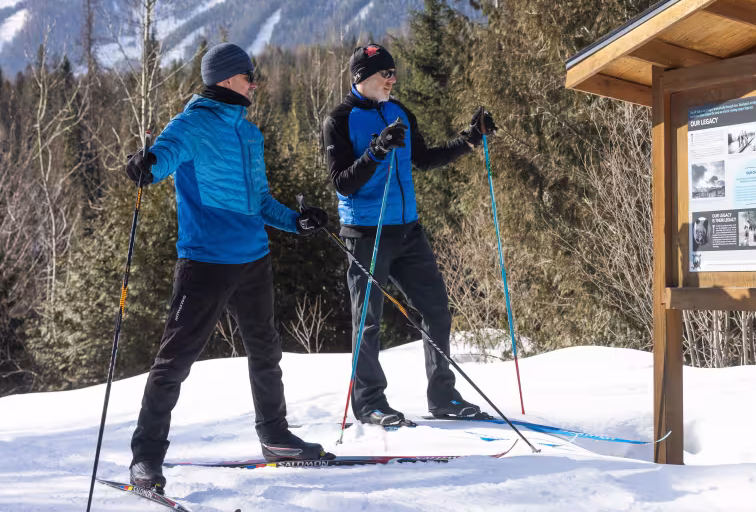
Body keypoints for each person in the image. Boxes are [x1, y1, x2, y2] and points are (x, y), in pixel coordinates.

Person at [125, 42, 331, 491]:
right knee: (175, 360)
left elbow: (259, 202)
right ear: (224, 80)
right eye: (247, 75)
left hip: (253, 258)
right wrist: (146, 165)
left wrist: (298, 222)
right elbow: (163, 156)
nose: (255, 82)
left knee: (266, 351)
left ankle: (275, 436)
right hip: (205, 262)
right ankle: (145, 458)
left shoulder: (248, 134)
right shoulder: (191, 125)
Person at [322, 43, 497, 427]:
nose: (392, 79)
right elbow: (342, 183)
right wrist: (376, 151)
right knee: (368, 320)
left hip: (407, 231)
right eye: (385, 74)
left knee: (436, 310)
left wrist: (470, 138)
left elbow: (424, 158)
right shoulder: (340, 119)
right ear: (361, 78)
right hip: (365, 233)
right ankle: (370, 403)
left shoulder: (399, 112)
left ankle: (444, 396)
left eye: (393, 72)